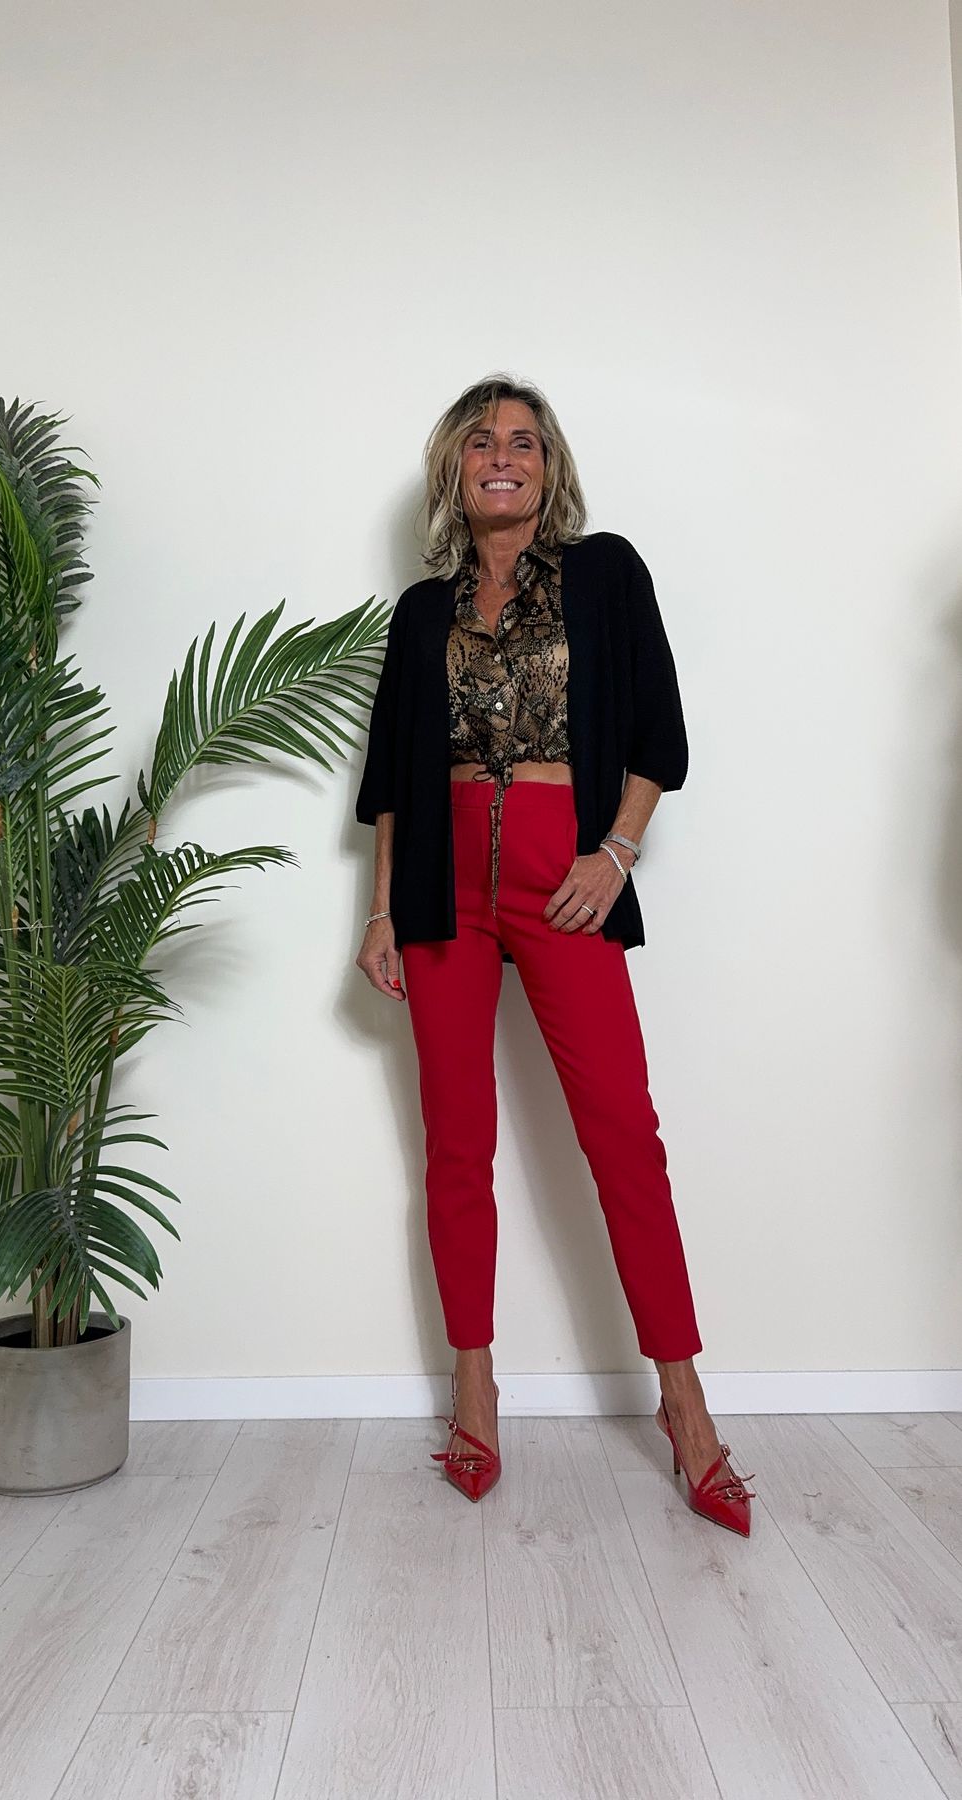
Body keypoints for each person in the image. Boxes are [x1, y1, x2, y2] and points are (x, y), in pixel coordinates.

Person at [354, 374, 756, 1535]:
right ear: (454, 466)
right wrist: (379, 912)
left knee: (622, 1136)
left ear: (547, 466)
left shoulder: (604, 573)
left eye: (523, 441)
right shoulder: (419, 613)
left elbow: (656, 738)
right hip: (441, 888)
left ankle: (683, 1403)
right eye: (481, 440)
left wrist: (613, 854)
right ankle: (474, 1390)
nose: (502, 455)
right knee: (455, 1147)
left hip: (560, 880)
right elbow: (392, 778)